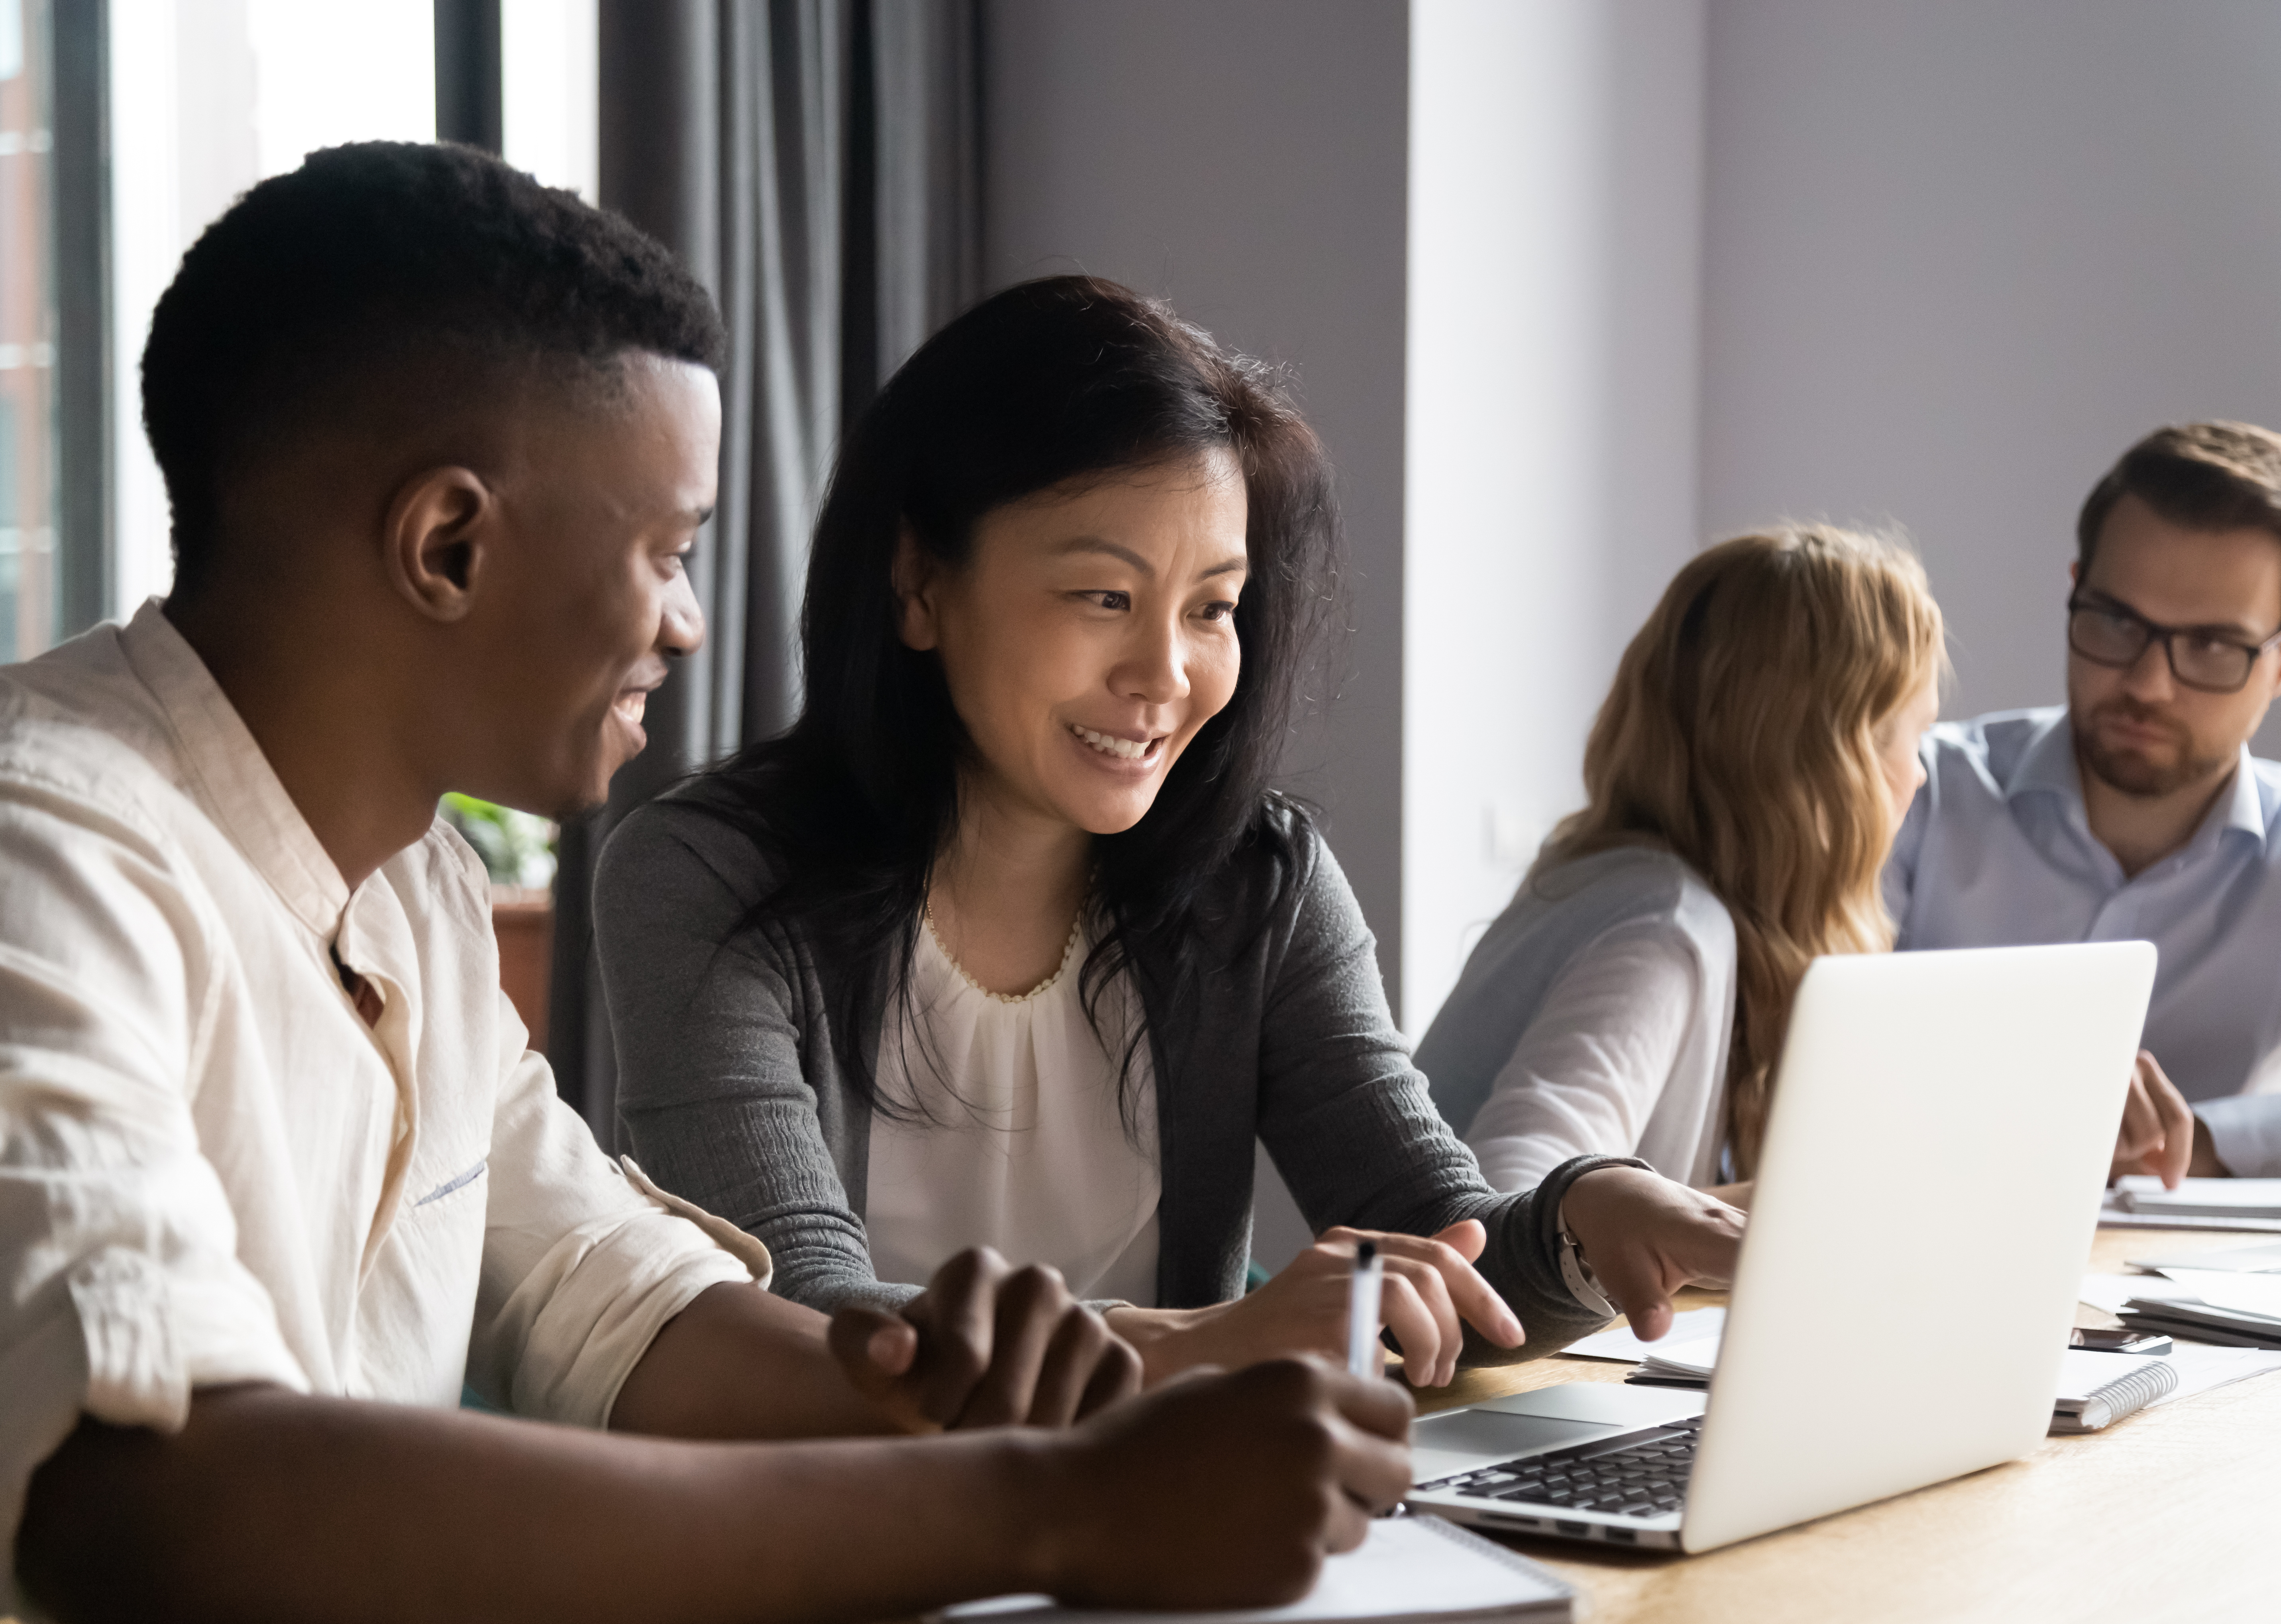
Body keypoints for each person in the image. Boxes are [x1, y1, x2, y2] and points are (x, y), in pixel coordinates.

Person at [1, 144, 1415, 1624]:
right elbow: (147, 1497)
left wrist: (1054, 1395)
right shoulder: (49, 849)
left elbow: (619, 1305)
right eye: (668, 550)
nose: (686, 624)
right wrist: (1053, 1508)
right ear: (448, 544)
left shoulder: (416, 890)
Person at [593, 275, 1745, 1387]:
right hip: (862, 1513)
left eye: (1211, 608)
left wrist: (1589, 1221)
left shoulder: (1260, 882)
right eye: (1105, 597)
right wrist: (1205, 1341)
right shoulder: (704, 877)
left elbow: (1444, 1247)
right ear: (919, 586)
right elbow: (801, 1318)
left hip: (1174, 1507)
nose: (1166, 673)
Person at [1888, 421, 2281, 1180]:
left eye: (2211, 646)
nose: (2147, 685)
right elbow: (1780, 1067)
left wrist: (2207, 1141)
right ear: (2075, 591)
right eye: (2117, 621)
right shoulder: (1914, 792)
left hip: (2200, 1259)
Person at [1416, 528, 1945, 1196]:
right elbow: (1513, 1190)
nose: (1919, 774)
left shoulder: (1612, 884)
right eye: (1910, 736)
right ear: (1829, 763)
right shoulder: (1664, 928)